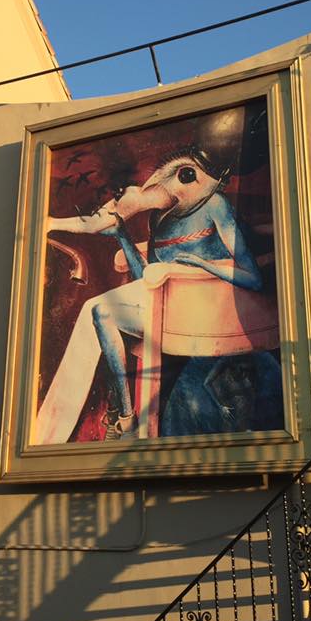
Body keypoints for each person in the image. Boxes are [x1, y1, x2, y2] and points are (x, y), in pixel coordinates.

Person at [36, 146, 265, 444]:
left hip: (206, 310)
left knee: (100, 310)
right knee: (97, 309)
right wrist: (122, 235)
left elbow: (253, 277)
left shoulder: (215, 204)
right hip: (167, 301)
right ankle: (120, 419)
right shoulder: (161, 218)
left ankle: (119, 420)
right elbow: (147, 276)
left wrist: (203, 264)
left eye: (188, 175)